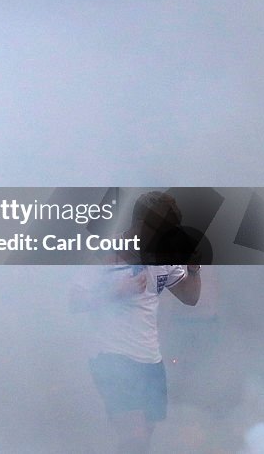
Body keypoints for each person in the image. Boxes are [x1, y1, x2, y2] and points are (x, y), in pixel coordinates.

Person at [70, 191, 202, 454]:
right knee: (135, 439)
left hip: (150, 359)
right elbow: (75, 301)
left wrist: (194, 269)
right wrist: (117, 292)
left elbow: (190, 297)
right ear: (141, 226)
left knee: (143, 439)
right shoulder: (105, 253)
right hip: (112, 357)